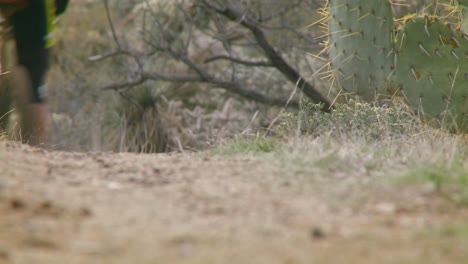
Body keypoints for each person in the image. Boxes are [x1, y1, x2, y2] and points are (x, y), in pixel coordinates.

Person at [0, 0, 69, 145]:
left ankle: (32, 151)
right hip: (31, 21)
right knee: (29, 84)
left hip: (32, 20)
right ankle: (31, 149)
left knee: (31, 83)